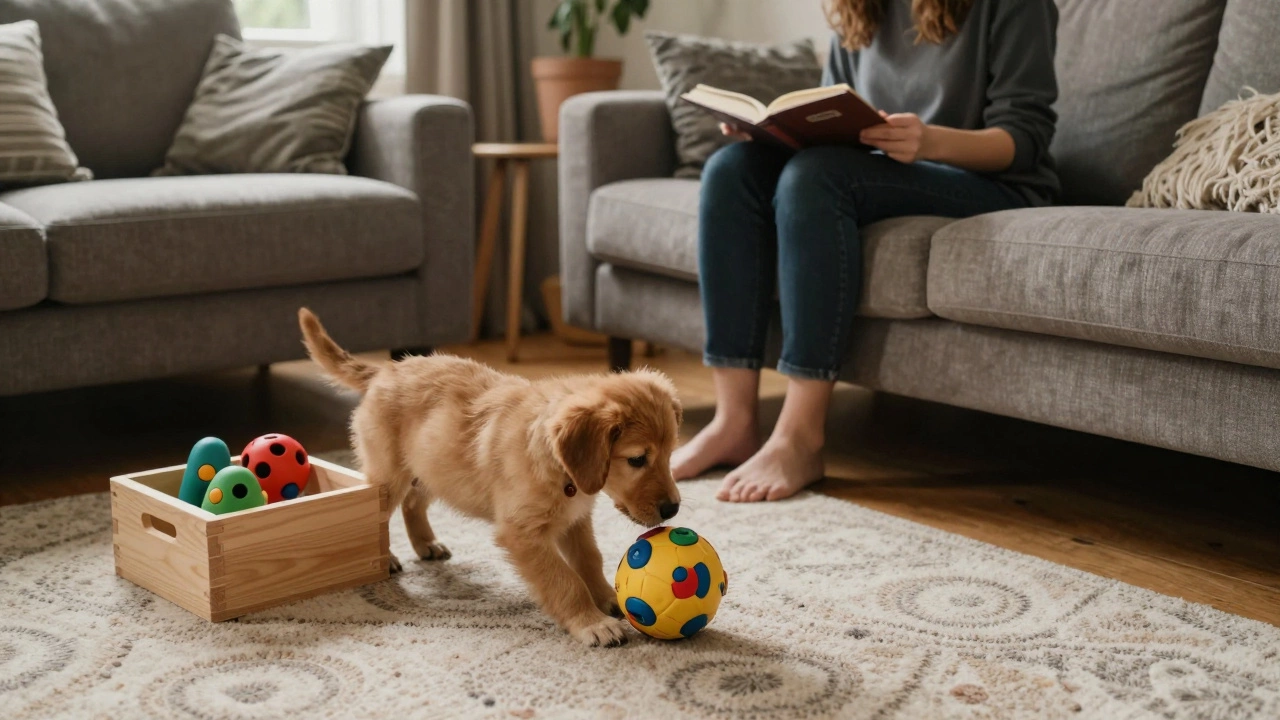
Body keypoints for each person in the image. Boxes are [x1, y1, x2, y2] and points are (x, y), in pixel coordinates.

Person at [671, 0, 1061, 502]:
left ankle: (801, 437)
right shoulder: (862, 7)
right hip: (877, 170)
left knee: (815, 177)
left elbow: (1024, 139)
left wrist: (929, 141)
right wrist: (770, 136)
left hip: (989, 182)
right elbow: (831, 118)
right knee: (731, 170)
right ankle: (734, 422)